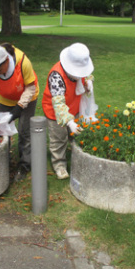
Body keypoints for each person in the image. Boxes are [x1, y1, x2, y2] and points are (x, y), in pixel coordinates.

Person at [0, 43, 39, 182]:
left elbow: (30, 87)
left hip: (27, 96)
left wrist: (20, 106)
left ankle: (24, 165)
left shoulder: (23, 62)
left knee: (24, 131)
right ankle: (5, 162)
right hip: (4, 99)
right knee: (2, 131)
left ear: (7, 61)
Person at [42, 43, 94, 180]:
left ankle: (77, 156)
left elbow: (87, 75)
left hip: (74, 106)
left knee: (76, 135)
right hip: (54, 112)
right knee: (58, 139)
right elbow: (59, 104)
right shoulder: (56, 76)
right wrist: (69, 123)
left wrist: (88, 82)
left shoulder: (79, 66)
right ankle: (59, 165)